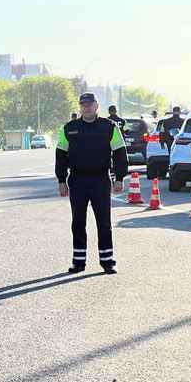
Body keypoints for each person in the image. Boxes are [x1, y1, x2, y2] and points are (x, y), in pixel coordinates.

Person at [55, 92, 128, 275]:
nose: (86, 107)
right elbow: (60, 156)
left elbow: (120, 153)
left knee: (104, 222)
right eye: (83, 104)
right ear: (80, 107)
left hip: (100, 180)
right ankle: (78, 262)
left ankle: (107, 261)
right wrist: (61, 180)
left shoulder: (109, 127)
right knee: (78, 222)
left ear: (96, 106)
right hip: (77, 180)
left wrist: (119, 178)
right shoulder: (68, 128)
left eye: (90, 104)